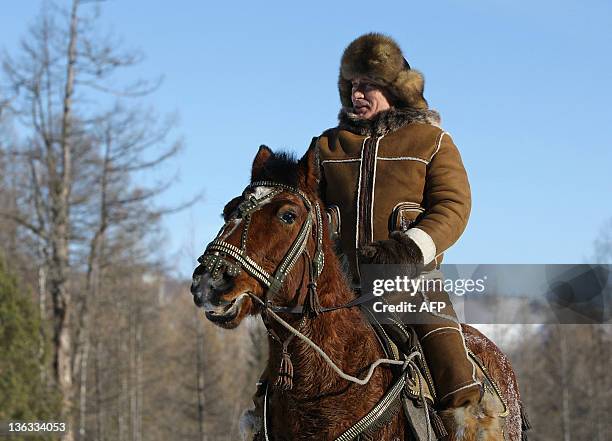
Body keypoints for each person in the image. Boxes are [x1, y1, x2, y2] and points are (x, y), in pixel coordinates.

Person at [244, 32, 482, 439]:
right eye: (351, 85)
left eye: (367, 84)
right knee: (280, 366)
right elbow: (297, 207)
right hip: (338, 290)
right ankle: (259, 424)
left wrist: (412, 247)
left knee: (452, 370)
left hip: (409, 281)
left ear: (393, 88)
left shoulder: (432, 141)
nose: (357, 93)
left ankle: (476, 429)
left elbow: (454, 207)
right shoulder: (326, 146)